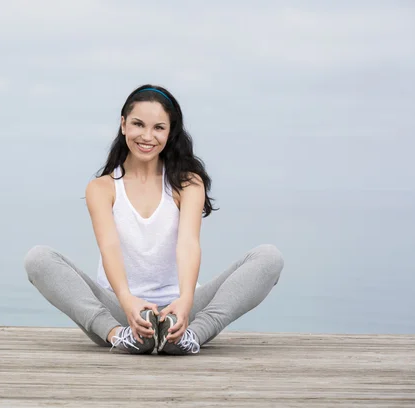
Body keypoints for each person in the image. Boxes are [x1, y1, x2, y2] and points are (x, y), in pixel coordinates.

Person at [24, 84, 284, 355]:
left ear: (170, 133)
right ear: (123, 125)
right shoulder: (102, 188)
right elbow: (109, 247)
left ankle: (190, 336)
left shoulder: (188, 183)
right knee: (38, 258)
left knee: (269, 257)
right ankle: (119, 336)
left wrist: (185, 301)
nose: (147, 136)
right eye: (138, 124)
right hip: (120, 310)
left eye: (159, 128)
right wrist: (127, 302)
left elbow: (188, 245)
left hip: (181, 311)